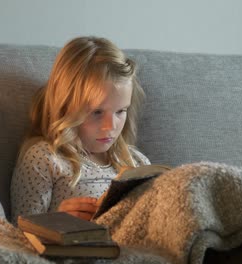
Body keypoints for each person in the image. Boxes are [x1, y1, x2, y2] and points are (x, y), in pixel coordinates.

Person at [10, 36, 150, 224]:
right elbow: (18, 237)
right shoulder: (45, 159)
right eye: (97, 112)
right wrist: (59, 223)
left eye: (120, 111)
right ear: (66, 106)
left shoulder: (136, 162)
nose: (110, 126)